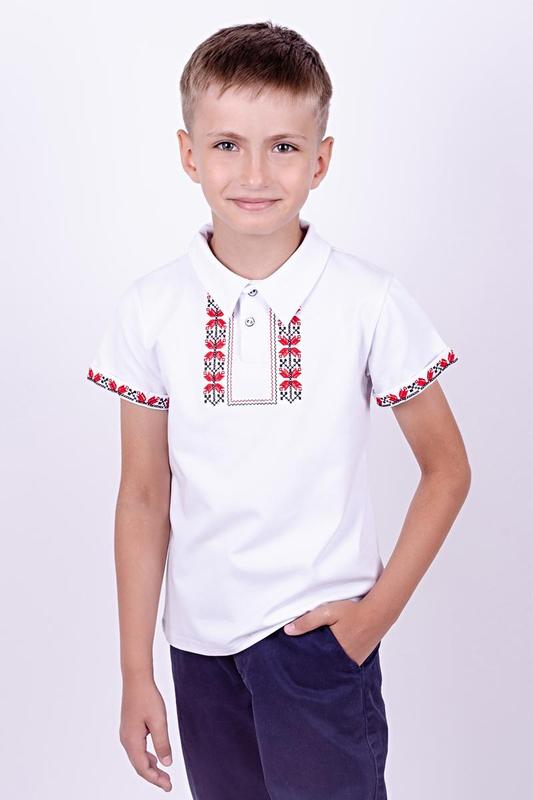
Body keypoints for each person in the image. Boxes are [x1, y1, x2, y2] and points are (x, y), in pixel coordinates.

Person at [85, 20, 471, 800]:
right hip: (198, 651)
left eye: (283, 146)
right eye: (227, 145)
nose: (254, 173)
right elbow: (143, 494)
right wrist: (135, 671)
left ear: (320, 160)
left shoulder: (368, 300)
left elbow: (446, 469)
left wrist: (370, 620)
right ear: (189, 154)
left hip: (317, 644)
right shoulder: (151, 308)